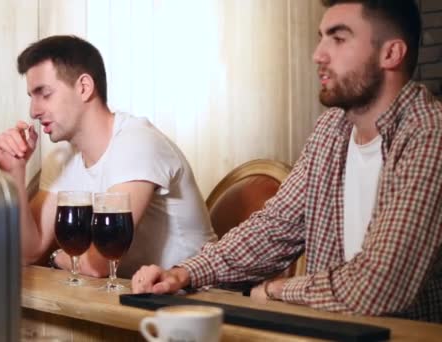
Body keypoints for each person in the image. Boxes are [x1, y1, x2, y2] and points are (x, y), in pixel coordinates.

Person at [132, 0, 442, 322]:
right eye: (321, 37)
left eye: (338, 38)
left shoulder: (429, 135)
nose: (318, 54)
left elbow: (380, 286)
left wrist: (278, 290)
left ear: (391, 54)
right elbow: (274, 229)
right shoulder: (331, 129)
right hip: (330, 332)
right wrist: (184, 274)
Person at [0, 35, 216, 278]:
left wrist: (56, 257)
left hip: (193, 298)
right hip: (122, 299)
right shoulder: (62, 159)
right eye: (31, 97)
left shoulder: (136, 142)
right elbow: (28, 252)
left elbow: (98, 263)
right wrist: (14, 172)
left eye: (44, 94)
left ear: (84, 87)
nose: (33, 111)